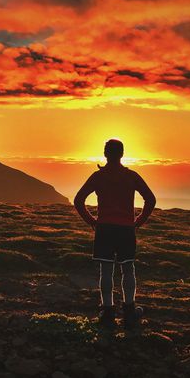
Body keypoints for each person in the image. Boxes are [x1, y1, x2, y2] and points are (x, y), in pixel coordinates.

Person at [73, 139, 156, 328]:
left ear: (105, 154)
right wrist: (138, 222)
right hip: (126, 229)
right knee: (128, 269)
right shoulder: (132, 176)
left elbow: (79, 200)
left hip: (104, 229)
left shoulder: (98, 176)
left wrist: (92, 221)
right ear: (122, 154)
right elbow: (150, 199)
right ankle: (129, 311)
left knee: (106, 271)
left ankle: (108, 313)